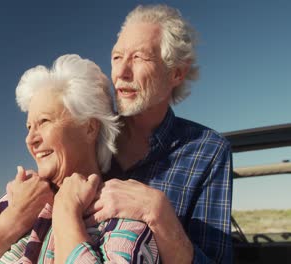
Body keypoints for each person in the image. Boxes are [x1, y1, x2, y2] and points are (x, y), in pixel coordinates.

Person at [0, 54, 159, 264]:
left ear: (89, 128)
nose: (30, 139)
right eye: (28, 127)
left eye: (44, 122)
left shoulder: (123, 212)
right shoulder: (16, 200)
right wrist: (13, 219)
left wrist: (65, 212)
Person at [84, 5, 233, 264]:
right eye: (117, 57)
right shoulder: (91, 134)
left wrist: (158, 213)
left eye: (139, 57)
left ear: (176, 73)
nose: (121, 73)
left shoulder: (209, 150)